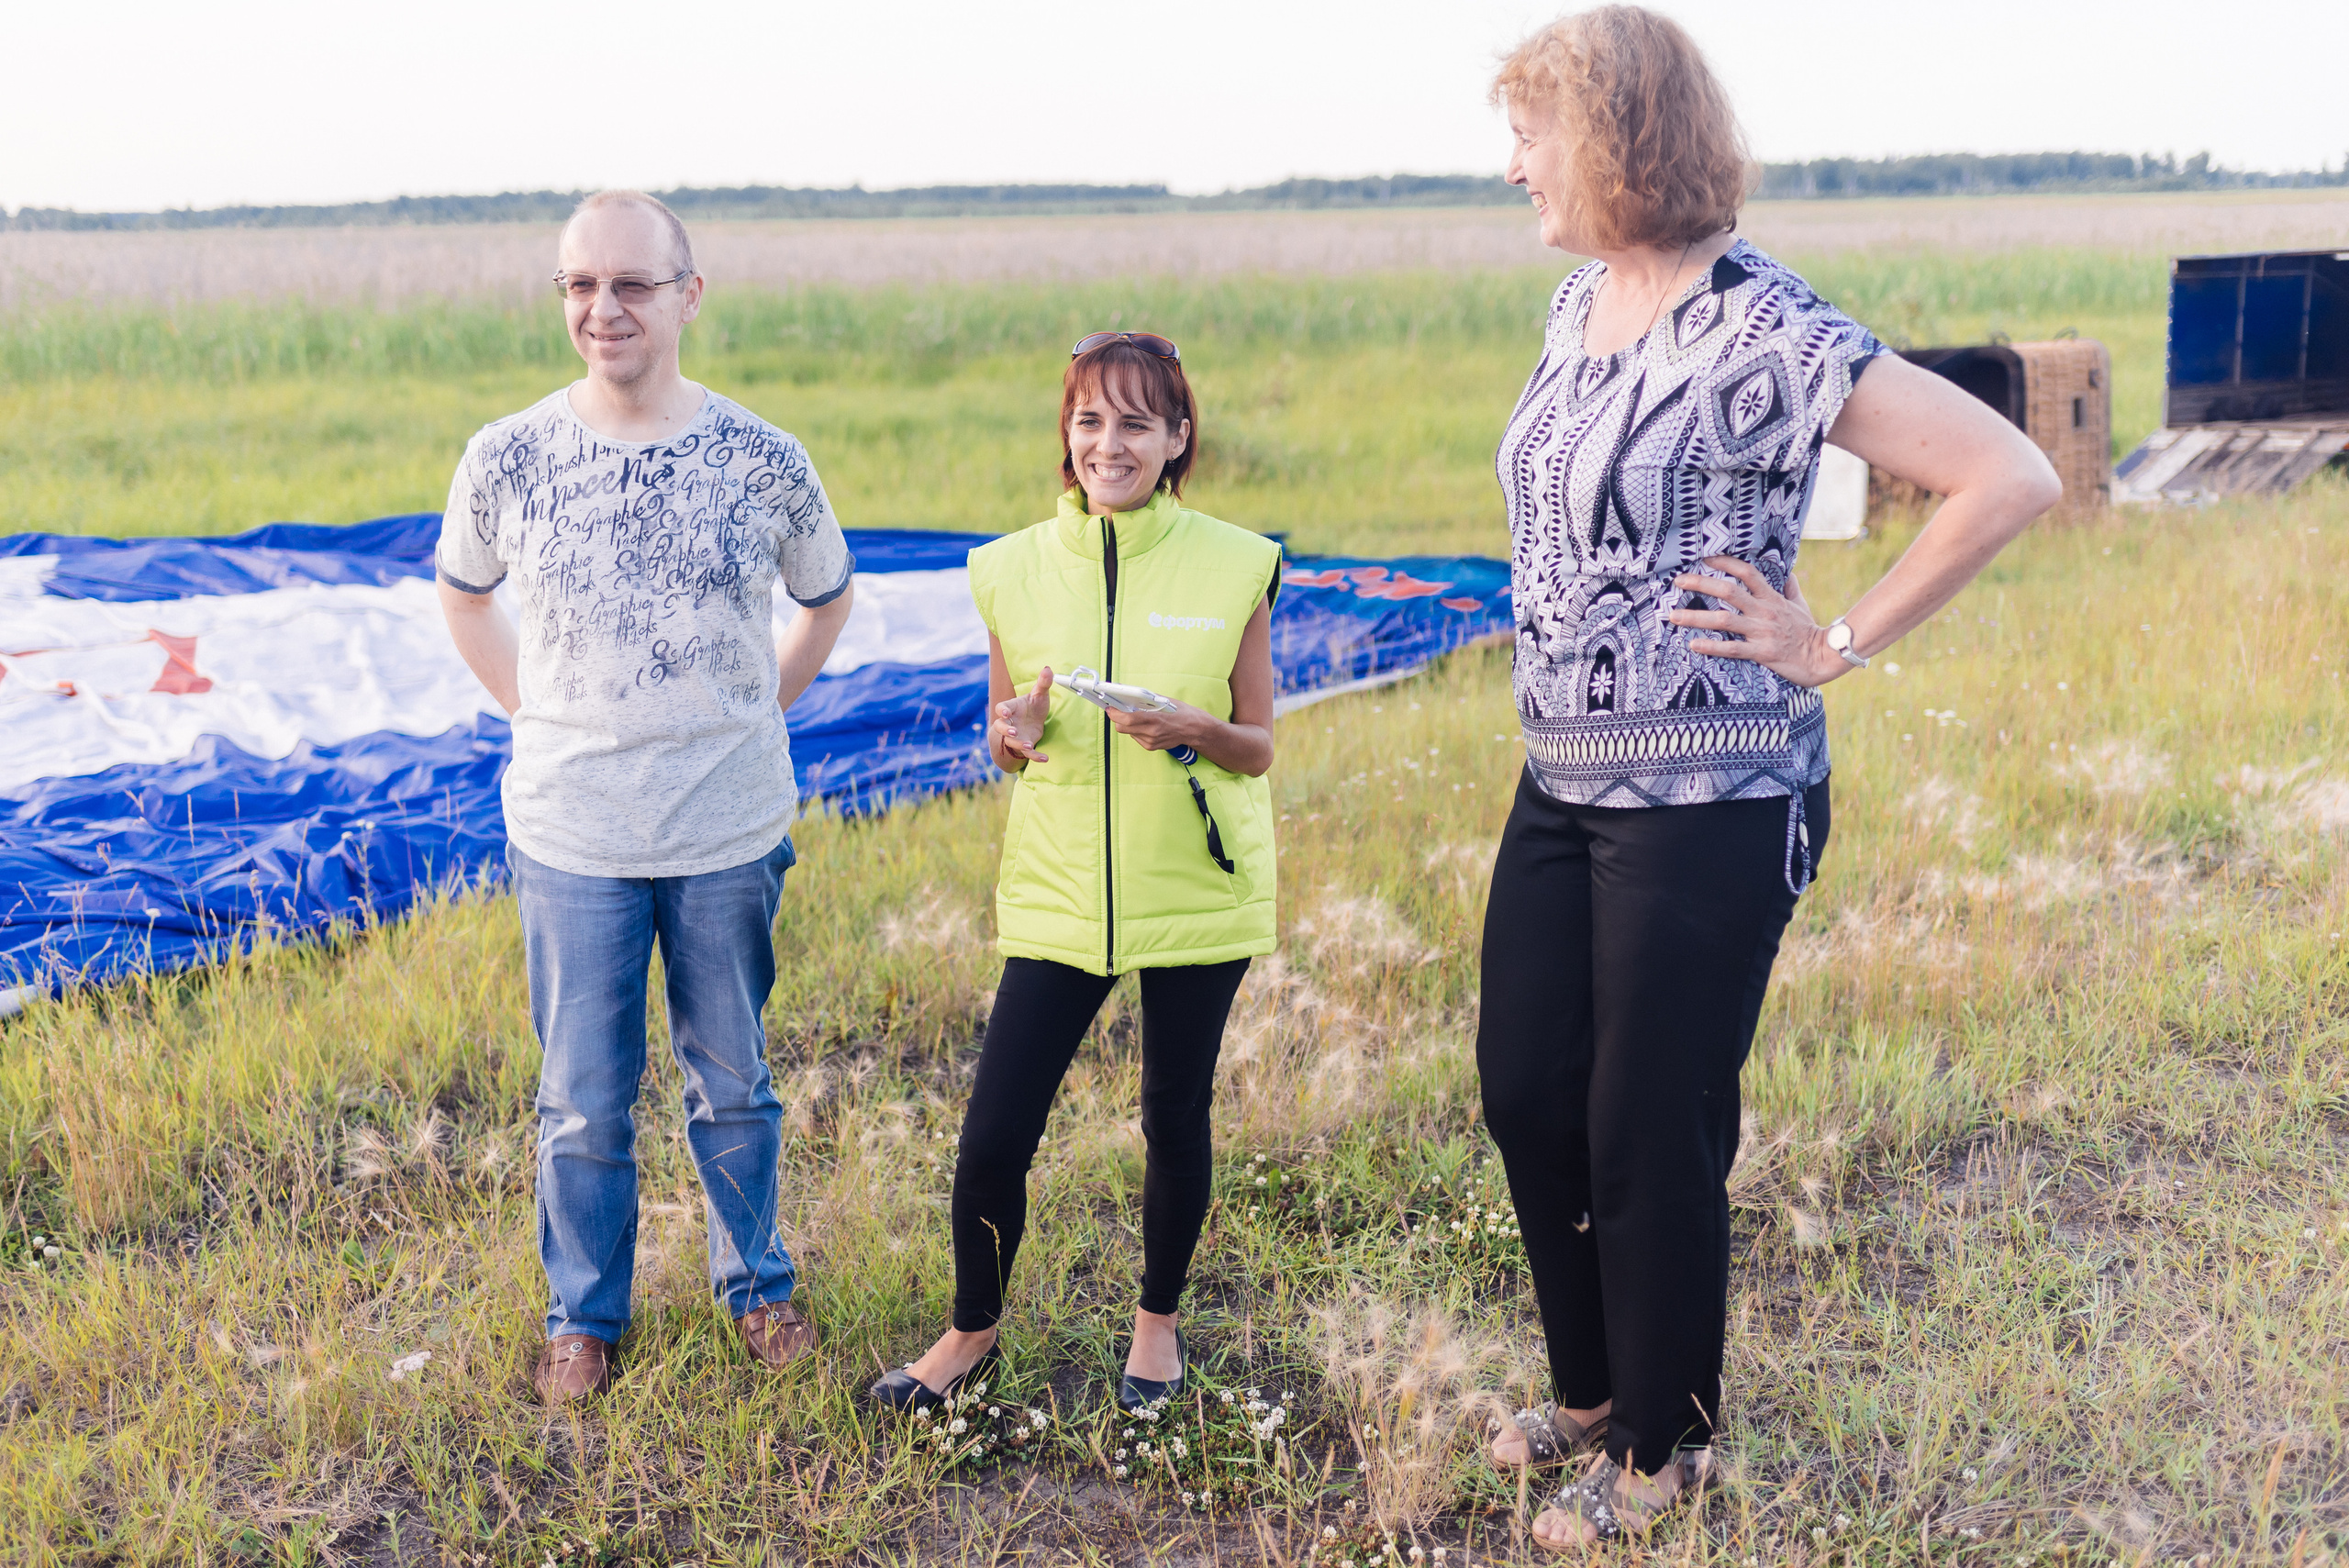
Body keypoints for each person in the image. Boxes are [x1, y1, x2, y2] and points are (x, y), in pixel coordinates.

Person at [1472, 8, 2060, 1548]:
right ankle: (1593, 1394)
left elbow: (2011, 472)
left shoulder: (1767, 327)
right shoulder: (1576, 307)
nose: (1513, 161)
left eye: (1533, 131)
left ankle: (1664, 1452)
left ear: (1611, 137)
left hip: (1718, 790)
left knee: (1644, 1119)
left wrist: (1837, 637)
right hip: (1564, 777)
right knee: (1529, 1089)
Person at [435, 191, 857, 1404]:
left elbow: (827, 598)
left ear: (688, 295)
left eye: (630, 284)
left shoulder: (761, 456)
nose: (602, 308)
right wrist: (535, 712)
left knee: (732, 1082)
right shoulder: (507, 455)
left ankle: (758, 1286)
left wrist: (760, 710)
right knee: (579, 1099)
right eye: (579, 285)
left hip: (727, 828)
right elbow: (464, 595)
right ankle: (584, 1315)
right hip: (574, 834)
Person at [868, 332, 1283, 1415]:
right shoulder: (1006, 569)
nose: (1110, 443)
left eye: (1137, 422)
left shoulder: (1238, 560)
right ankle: (970, 1332)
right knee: (996, 1128)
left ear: (1176, 438)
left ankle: (1157, 1325)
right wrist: (1005, 733)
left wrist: (1194, 725)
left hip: (1193, 887)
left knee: (1172, 1114)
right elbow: (1004, 738)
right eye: (1090, 420)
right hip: (1057, 892)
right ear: (1067, 433)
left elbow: (1258, 743)